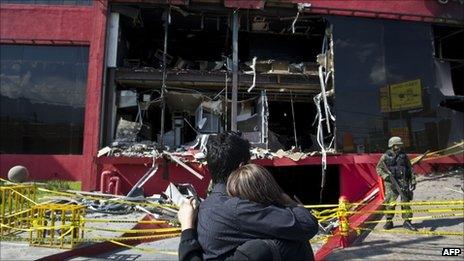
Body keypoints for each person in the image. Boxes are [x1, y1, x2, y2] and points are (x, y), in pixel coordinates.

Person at [197, 132, 318, 260]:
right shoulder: (238, 208)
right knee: (294, 243)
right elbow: (307, 225)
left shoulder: (206, 205)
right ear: (242, 167)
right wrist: (287, 201)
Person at [376, 136, 417, 231]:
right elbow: (379, 168)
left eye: (400, 145)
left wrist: (413, 180)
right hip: (391, 183)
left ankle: (407, 221)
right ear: (392, 145)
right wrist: (386, 176)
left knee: (405, 202)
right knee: (390, 203)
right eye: (397, 145)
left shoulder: (404, 156)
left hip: (403, 182)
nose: (400, 147)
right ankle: (389, 221)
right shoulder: (385, 156)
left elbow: (410, 168)